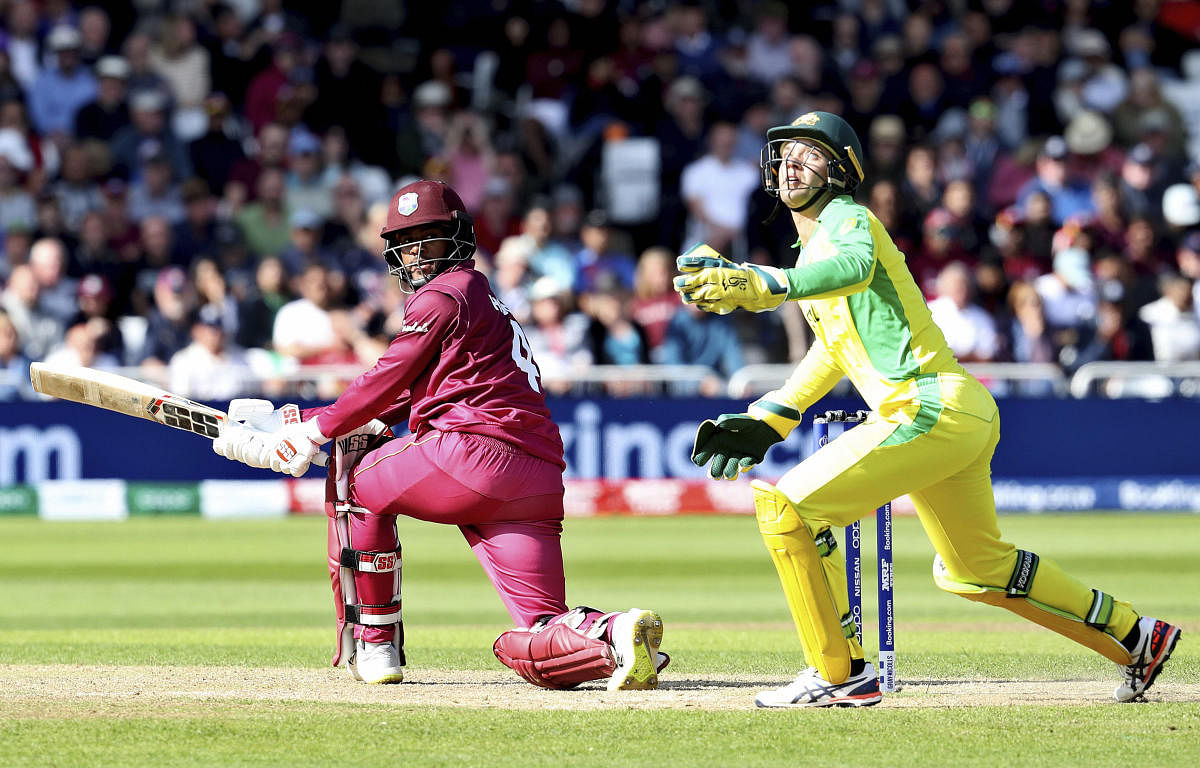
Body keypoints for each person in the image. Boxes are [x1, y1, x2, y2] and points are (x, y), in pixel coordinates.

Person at [673, 111, 1181, 708]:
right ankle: (1136, 635)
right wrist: (774, 413)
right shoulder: (813, 246)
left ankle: (839, 674)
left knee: (788, 508)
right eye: (785, 153)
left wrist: (771, 283)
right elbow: (835, 351)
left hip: (927, 406)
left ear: (841, 170)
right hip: (952, 412)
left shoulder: (848, 219)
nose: (792, 162)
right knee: (974, 569)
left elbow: (855, 268)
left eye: (810, 153)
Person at [211, 180, 666, 691]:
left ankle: (375, 643)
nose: (416, 254)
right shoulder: (481, 297)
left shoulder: (445, 293)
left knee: (356, 481)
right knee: (537, 636)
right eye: (406, 243)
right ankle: (612, 634)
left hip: (470, 453)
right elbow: (405, 397)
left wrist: (314, 432)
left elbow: (387, 377)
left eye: (427, 238)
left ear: (458, 237)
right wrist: (294, 421)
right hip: (534, 477)